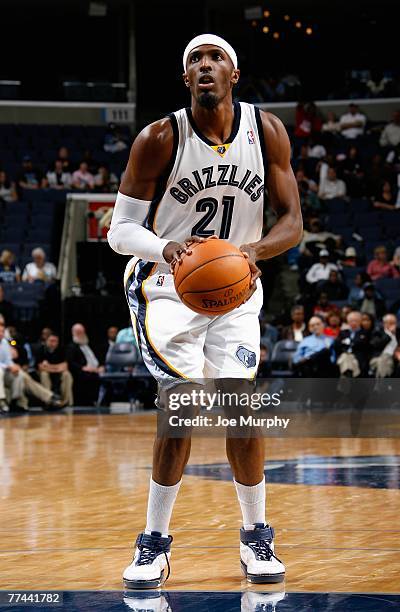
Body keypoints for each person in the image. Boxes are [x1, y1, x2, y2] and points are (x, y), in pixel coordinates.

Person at [107, 34, 302, 588]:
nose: (206, 66)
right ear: (186, 78)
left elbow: (292, 221)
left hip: (235, 285)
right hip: (168, 286)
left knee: (241, 407)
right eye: (195, 60)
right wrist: (165, 248)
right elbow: (120, 231)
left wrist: (253, 252)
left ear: (234, 74)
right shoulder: (159, 138)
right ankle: (154, 544)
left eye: (216, 58)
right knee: (183, 407)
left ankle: (256, 536)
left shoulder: (266, 131)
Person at [0, 322, 63, 412]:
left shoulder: (8, 342)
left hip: (9, 370)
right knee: (24, 376)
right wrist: (9, 366)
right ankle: (49, 397)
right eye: (0, 332)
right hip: (2, 371)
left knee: (20, 374)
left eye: (3, 331)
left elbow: (10, 358)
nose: (2, 334)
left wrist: (13, 366)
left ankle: (16, 401)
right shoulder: (11, 342)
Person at [66, 323, 103, 405]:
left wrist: (101, 366)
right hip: (82, 370)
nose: (81, 334)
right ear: (73, 333)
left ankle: (103, 401)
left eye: (82, 332)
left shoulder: (90, 344)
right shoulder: (71, 347)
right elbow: (71, 362)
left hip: (96, 369)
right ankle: (90, 402)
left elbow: (99, 358)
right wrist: (83, 368)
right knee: (89, 376)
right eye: (78, 332)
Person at [36, 332, 73, 406]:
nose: (53, 343)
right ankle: (49, 400)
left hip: (58, 372)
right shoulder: (41, 349)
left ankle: (65, 401)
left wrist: (49, 367)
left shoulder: (62, 349)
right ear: (46, 341)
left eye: (55, 341)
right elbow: (40, 367)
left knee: (67, 374)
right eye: (51, 341)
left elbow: (65, 366)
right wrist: (56, 368)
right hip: (46, 372)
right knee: (44, 374)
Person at [334, 311, 370, 377]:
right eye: (351, 320)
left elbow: (363, 345)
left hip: (357, 358)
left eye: (356, 320)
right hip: (343, 357)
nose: (353, 323)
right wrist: (352, 342)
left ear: (360, 321)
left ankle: (346, 382)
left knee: (347, 360)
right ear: (347, 322)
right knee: (346, 357)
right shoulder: (343, 332)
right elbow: (337, 345)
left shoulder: (365, 333)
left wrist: (348, 342)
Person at [370, 314, 400, 378]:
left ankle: (379, 386)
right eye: (390, 323)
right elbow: (377, 345)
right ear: (384, 323)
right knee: (384, 360)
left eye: (394, 323)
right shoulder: (377, 332)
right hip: (378, 357)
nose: (392, 325)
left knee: (383, 362)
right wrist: (389, 334)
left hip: (395, 357)